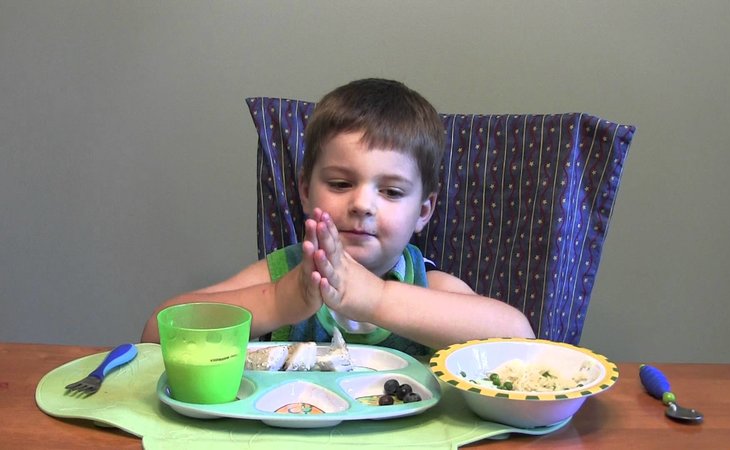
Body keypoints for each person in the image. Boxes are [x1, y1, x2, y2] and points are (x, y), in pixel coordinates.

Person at [141, 78, 534, 354]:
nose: (363, 204)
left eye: (392, 191)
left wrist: (375, 298)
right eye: (342, 184)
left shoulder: (429, 287)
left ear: (424, 211)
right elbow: (157, 333)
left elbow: (522, 343)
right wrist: (280, 302)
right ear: (306, 191)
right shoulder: (285, 276)